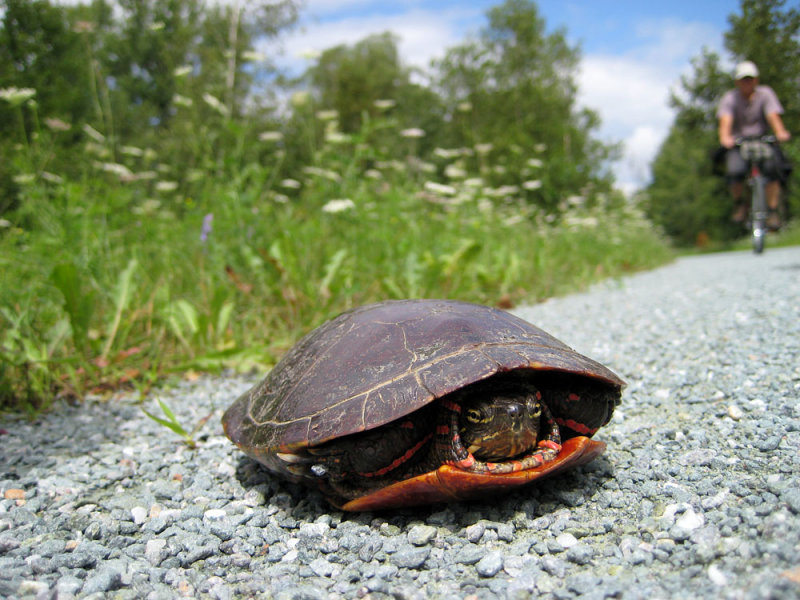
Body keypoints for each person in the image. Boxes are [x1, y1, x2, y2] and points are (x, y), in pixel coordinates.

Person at [717, 60, 791, 228]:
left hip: (762, 140)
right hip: (738, 142)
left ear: (756, 80)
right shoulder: (730, 98)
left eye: (750, 79)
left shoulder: (765, 94)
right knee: (734, 170)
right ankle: (739, 203)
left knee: (773, 169)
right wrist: (725, 137)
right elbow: (725, 122)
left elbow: (773, 116)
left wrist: (780, 132)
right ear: (737, 82)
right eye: (743, 79)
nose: (747, 83)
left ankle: (772, 211)